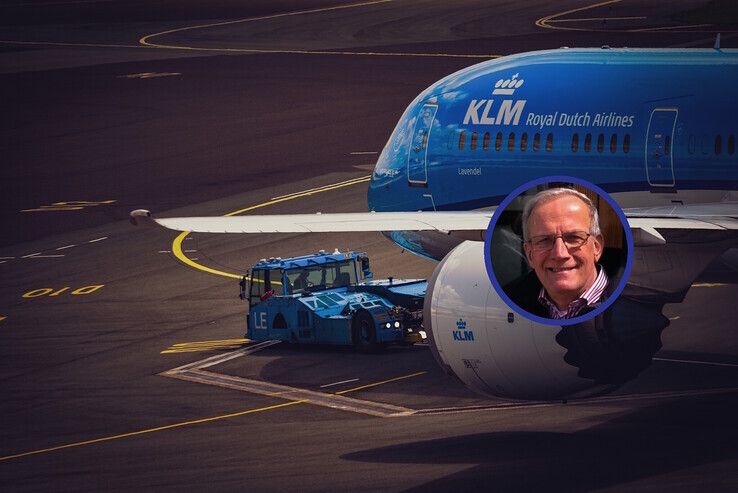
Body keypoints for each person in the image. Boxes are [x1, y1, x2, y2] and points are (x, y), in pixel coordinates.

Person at [504, 187, 610, 320]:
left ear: (596, 247)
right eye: (544, 240)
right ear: (529, 254)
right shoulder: (510, 302)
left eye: (573, 238)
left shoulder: (631, 307)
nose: (560, 254)